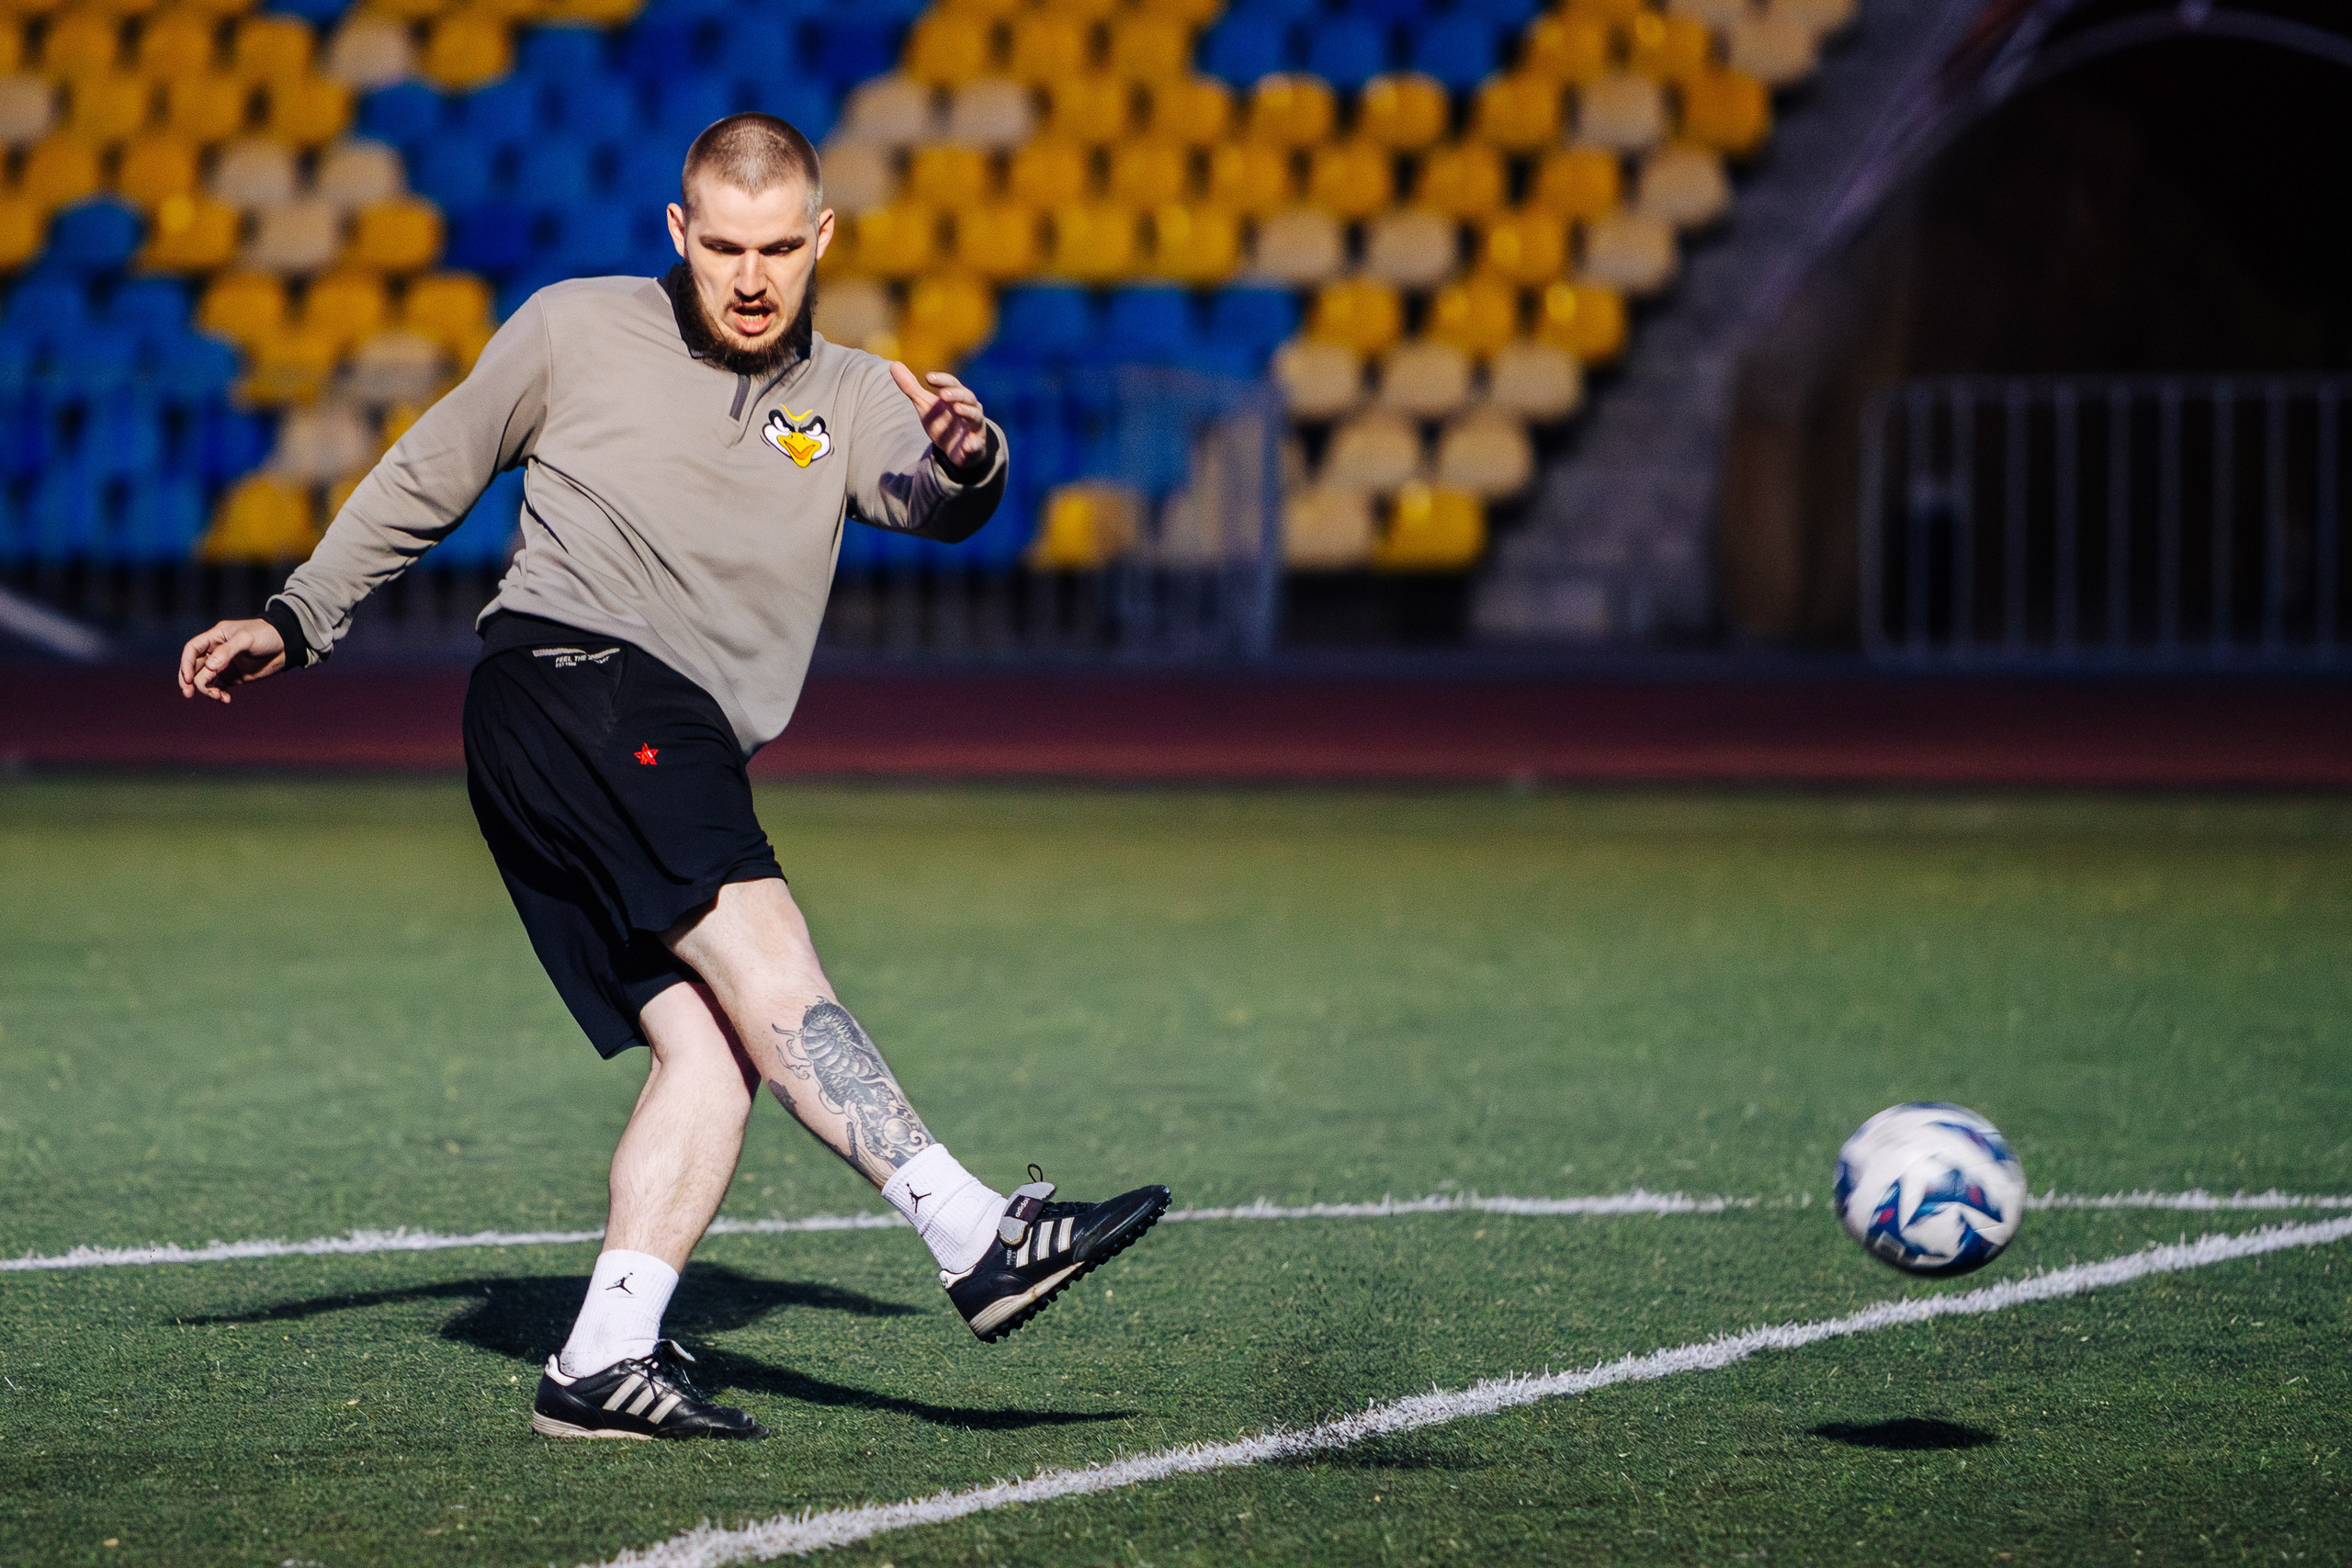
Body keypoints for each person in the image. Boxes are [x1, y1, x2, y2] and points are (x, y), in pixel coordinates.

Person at [174, 113, 1170, 1442]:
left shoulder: (855, 393)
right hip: (581, 681)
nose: (751, 279)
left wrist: (972, 459)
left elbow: (940, 500)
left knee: (709, 1052)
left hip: (609, 738)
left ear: (822, 240)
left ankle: (601, 1357)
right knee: (769, 950)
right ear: (678, 232)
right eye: (724, 248)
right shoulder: (573, 326)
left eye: (779, 250)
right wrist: (298, 617)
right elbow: (431, 470)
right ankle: (974, 1232)